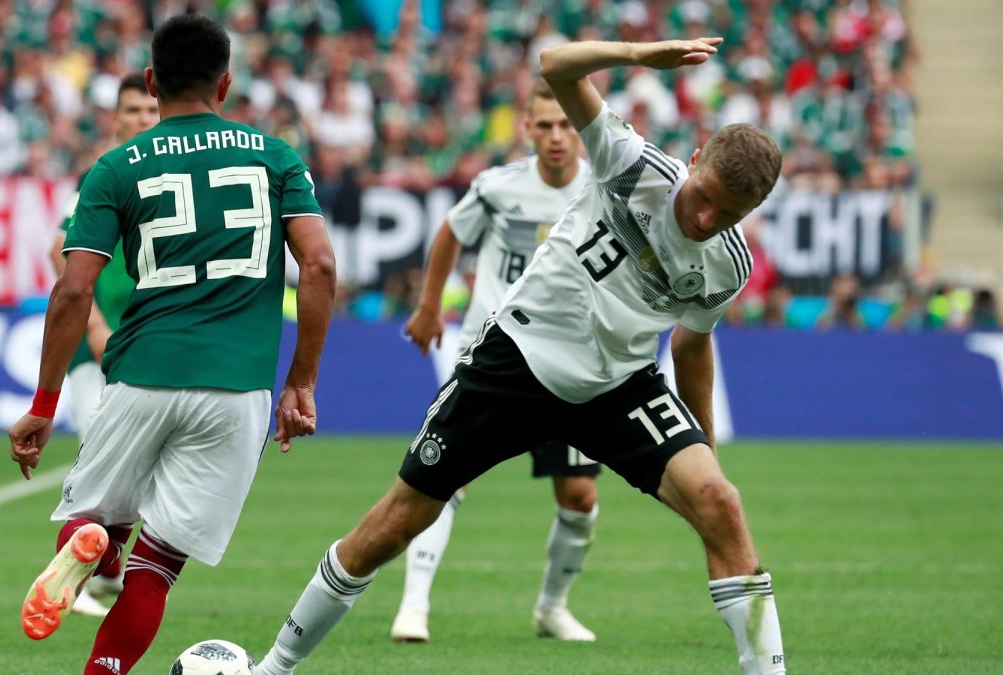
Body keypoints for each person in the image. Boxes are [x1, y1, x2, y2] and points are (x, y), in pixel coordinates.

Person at [254, 37, 786, 675]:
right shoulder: (632, 165)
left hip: (617, 387)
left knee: (722, 505)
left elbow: (692, 346)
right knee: (392, 526)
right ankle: (274, 666)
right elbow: (555, 64)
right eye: (704, 194)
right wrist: (641, 57)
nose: (703, 218)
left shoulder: (728, 264)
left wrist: (704, 454)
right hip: (516, 361)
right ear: (695, 158)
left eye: (728, 212)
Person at [8, 14, 335, 675]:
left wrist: (44, 402)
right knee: (156, 566)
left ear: (152, 83)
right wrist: (301, 380)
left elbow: (73, 291)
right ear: (227, 84)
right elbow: (321, 267)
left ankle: (92, 541)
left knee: (98, 518)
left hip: (143, 372)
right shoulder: (275, 157)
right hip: (237, 387)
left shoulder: (116, 166)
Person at [391, 79, 600, 644]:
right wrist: (430, 306)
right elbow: (449, 235)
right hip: (492, 356)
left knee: (579, 494)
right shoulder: (498, 186)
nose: (556, 136)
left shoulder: (604, 190)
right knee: (442, 479)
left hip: (569, 365)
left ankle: (551, 609)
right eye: (544, 125)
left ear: (580, 129)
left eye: (565, 124)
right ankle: (413, 607)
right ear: (526, 129)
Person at [46, 71, 160, 619]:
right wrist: (91, 322)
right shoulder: (103, 174)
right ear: (116, 117)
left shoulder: (168, 172)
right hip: (99, 341)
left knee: (132, 461)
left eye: (150, 112)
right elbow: (59, 251)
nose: (142, 119)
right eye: (133, 111)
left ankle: (109, 570)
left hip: (147, 338)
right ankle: (104, 570)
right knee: (100, 446)